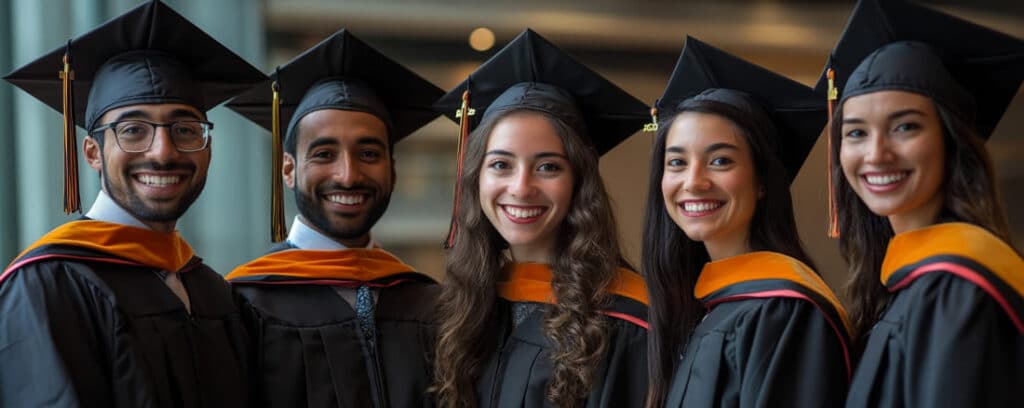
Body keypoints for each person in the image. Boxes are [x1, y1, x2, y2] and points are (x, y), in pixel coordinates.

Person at [0, 1, 266, 406]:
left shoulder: (213, 290)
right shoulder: (48, 285)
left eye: (185, 129)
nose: (163, 151)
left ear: (209, 148)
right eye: (133, 130)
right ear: (91, 152)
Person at [224, 29, 445, 407]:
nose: (348, 175)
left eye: (369, 154)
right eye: (324, 154)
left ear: (392, 170)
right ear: (289, 169)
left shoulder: (427, 301)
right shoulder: (243, 302)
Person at [431, 29, 651, 408]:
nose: (521, 187)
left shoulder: (624, 319)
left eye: (548, 166)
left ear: (579, 182)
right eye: (501, 164)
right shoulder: (469, 306)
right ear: (476, 178)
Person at [820, 0, 1024, 406]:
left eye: (905, 127)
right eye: (856, 133)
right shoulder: (894, 284)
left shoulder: (957, 286)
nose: (877, 154)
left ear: (952, 142)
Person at [643, 37, 852, 408]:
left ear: (761, 182)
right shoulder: (698, 307)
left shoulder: (784, 312)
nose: (693, 181)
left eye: (720, 161)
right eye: (676, 162)